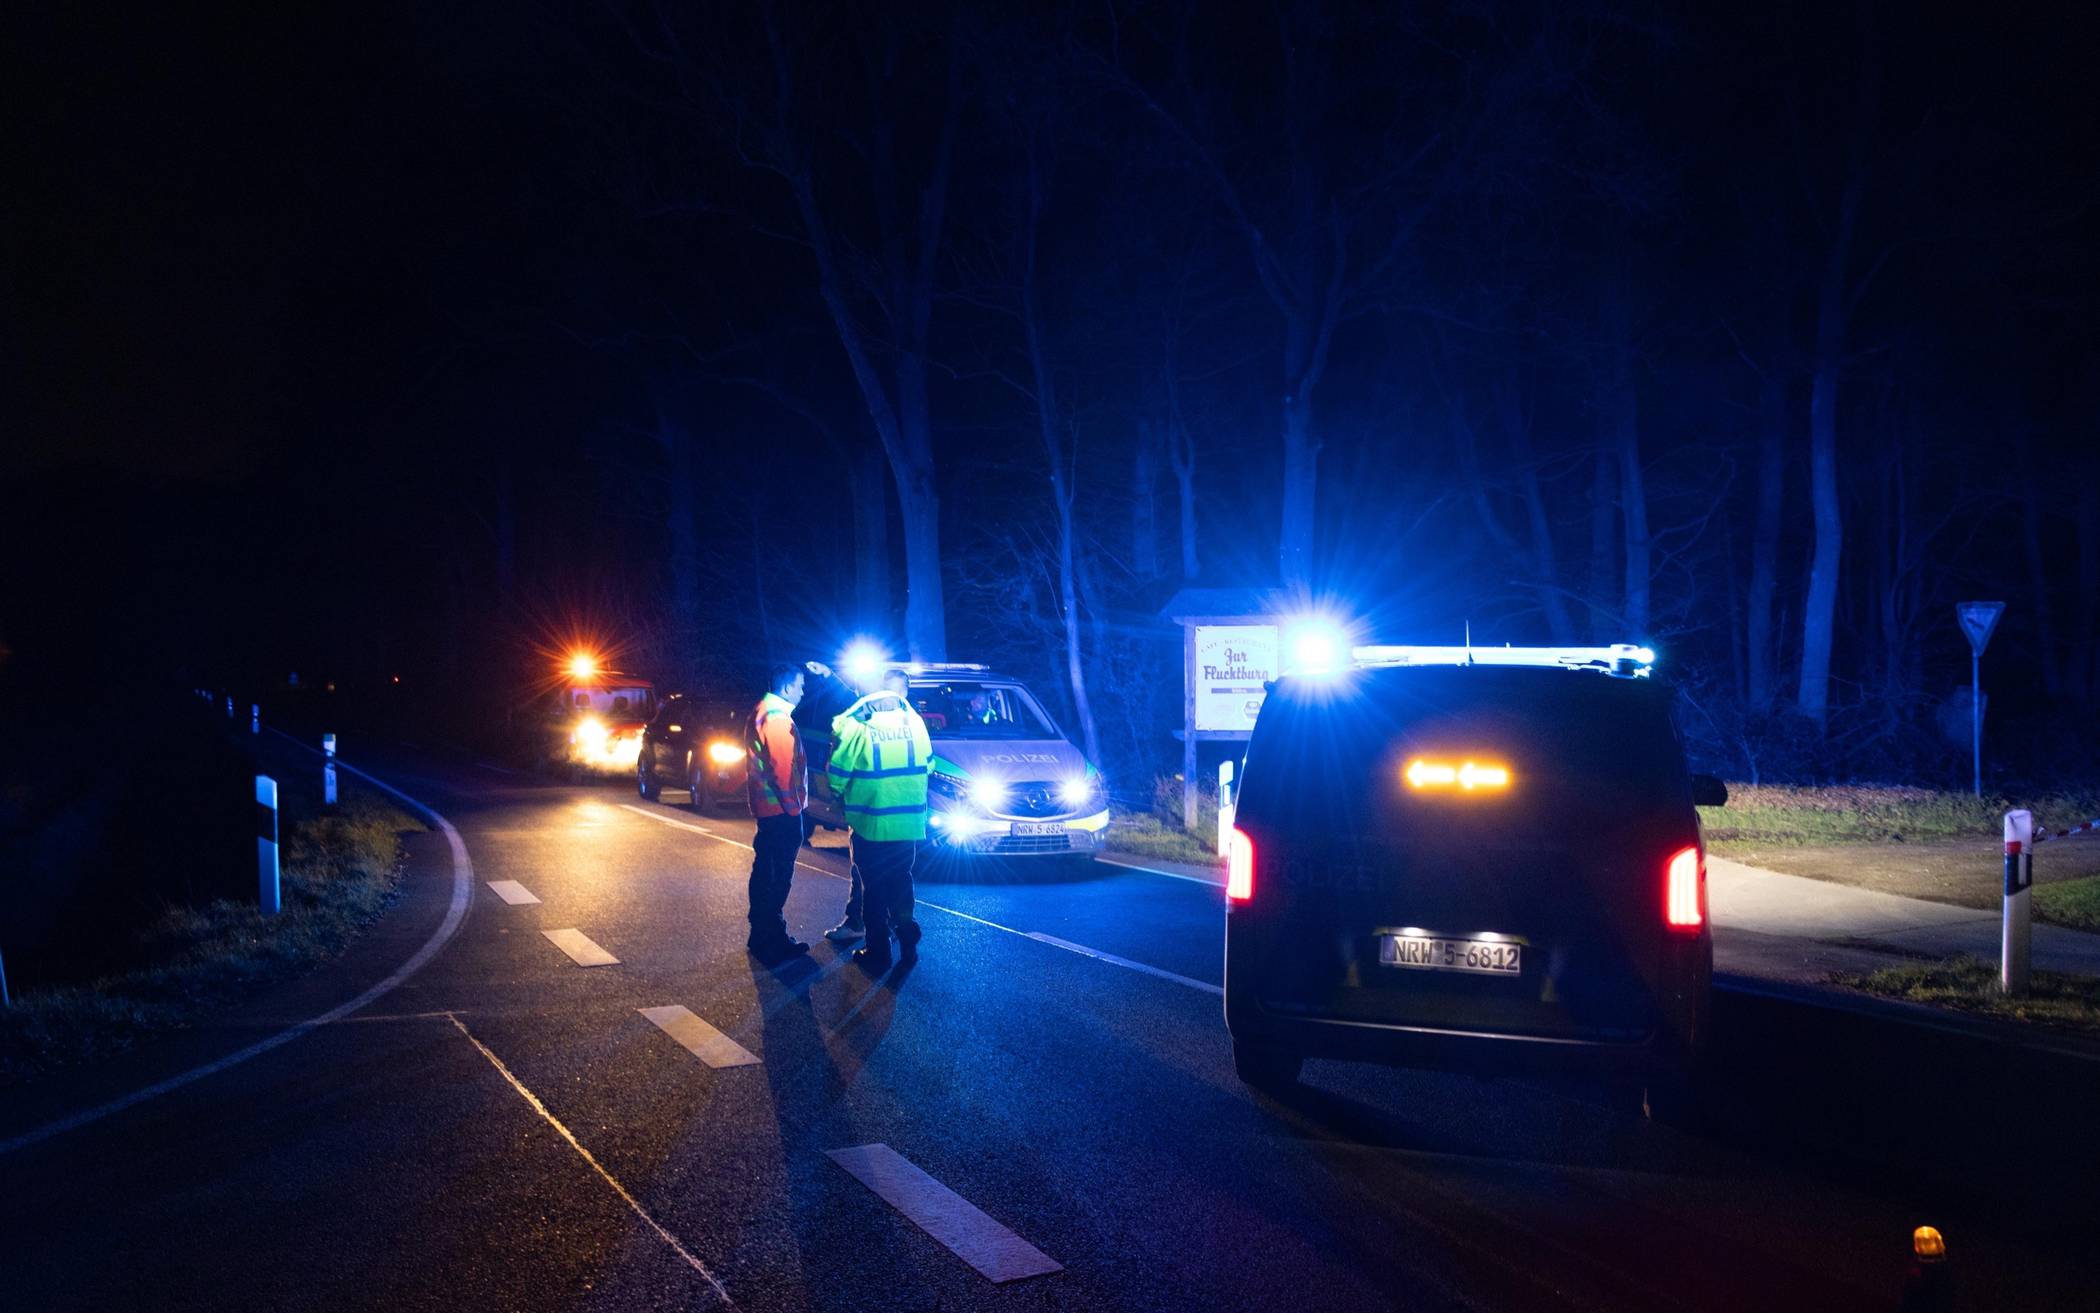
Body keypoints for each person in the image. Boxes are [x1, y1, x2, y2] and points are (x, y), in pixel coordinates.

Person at [825, 667, 932, 972]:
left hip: (872, 822)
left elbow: (839, 771)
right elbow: (928, 764)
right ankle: (907, 935)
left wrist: (836, 794)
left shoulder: (859, 723)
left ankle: (878, 952)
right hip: (908, 823)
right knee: (901, 882)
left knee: (873, 888)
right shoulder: (914, 720)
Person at [744, 662, 811, 964]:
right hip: (780, 810)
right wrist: (794, 807)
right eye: (800, 685)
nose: (803, 690)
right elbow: (783, 767)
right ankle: (771, 937)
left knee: (766, 870)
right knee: (776, 875)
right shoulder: (776, 717)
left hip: (769, 808)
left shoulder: (764, 711)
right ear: (787, 688)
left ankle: (762, 934)